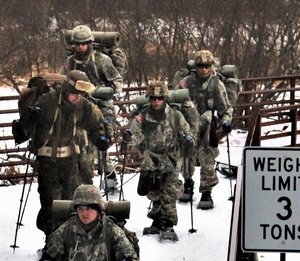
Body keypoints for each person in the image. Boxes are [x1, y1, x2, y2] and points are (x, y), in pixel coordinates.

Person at [28, 69, 108, 237]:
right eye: (74, 94)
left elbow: (96, 124)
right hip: (48, 161)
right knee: (53, 205)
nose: (77, 97)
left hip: (71, 161)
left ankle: (69, 240)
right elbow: (24, 128)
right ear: (66, 90)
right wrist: (32, 118)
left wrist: (100, 138)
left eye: (80, 94)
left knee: (73, 203)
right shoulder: (48, 101)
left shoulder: (82, 105)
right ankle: (52, 242)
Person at [129, 80, 194, 242]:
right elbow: (134, 130)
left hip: (171, 158)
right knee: (154, 191)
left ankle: (168, 222)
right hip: (151, 159)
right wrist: (133, 139)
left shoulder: (175, 115)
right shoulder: (143, 116)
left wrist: (188, 139)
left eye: (160, 98)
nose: (156, 101)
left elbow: (187, 131)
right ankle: (157, 219)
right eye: (153, 98)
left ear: (165, 98)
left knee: (169, 191)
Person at [61, 25, 124, 192]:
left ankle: (109, 176)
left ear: (90, 43)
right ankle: (84, 183)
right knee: (80, 144)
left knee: (102, 141)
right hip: (79, 106)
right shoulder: (70, 63)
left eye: (83, 44)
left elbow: (117, 82)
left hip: (101, 105)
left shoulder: (102, 60)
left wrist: (102, 91)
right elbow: (62, 81)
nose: (80, 47)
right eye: (77, 44)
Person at [176, 49, 232, 210]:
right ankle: (187, 183)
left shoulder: (216, 84)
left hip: (208, 125)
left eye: (206, 66)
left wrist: (226, 122)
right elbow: (175, 102)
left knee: (207, 156)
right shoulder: (186, 83)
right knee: (187, 156)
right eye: (200, 66)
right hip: (189, 125)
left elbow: (225, 108)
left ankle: (206, 191)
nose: (203, 70)